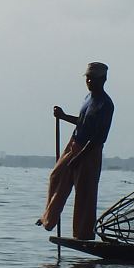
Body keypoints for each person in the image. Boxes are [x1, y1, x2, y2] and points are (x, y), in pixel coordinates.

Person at [38, 61, 115, 240]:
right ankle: (49, 219)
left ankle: (83, 234)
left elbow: (98, 137)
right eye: (87, 78)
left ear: (103, 79)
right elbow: (83, 122)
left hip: (90, 151)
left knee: (85, 193)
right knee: (57, 176)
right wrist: (63, 116)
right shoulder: (87, 98)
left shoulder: (106, 104)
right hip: (74, 143)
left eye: (93, 79)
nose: (89, 82)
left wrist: (80, 157)